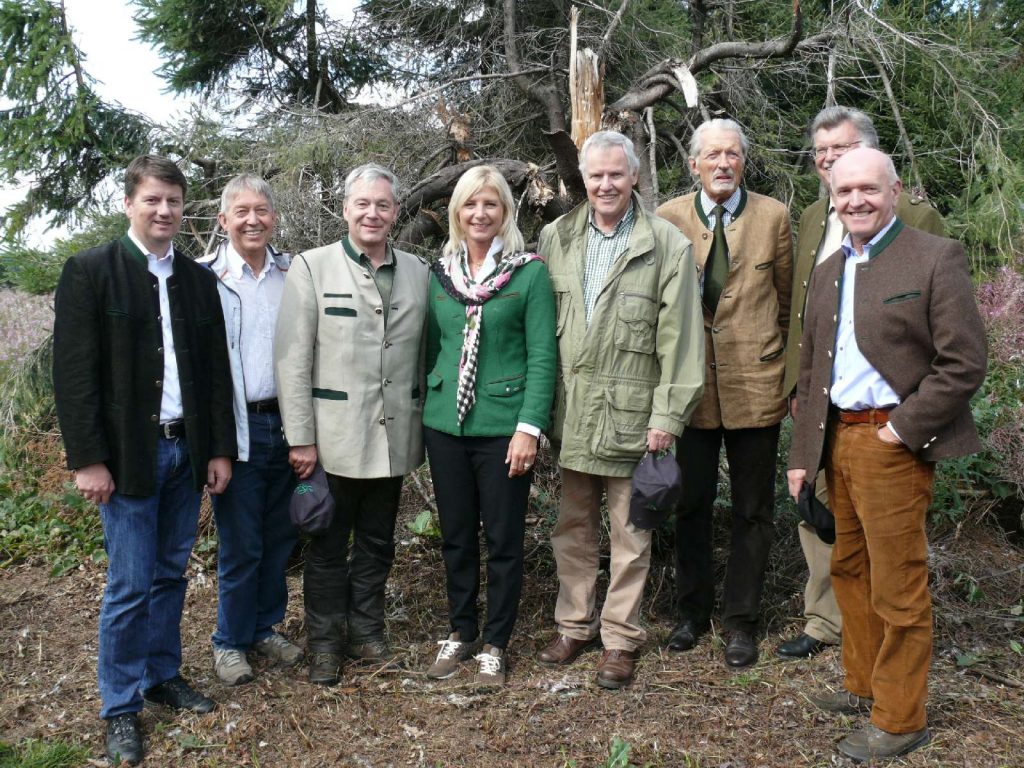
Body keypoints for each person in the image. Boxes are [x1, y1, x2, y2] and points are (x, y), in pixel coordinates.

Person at [787, 147, 985, 762]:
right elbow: (813, 369)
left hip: (892, 444)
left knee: (897, 584)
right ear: (832, 195)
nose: (855, 201)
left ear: (894, 191)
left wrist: (901, 432)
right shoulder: (829, 269)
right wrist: (802, 455)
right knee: (849, 569)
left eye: (868, 190)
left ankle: (900, 718)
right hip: (836, 440)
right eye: (844, 192)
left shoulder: (933, 257)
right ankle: (865, 685)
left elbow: (964, 363)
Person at [52, 155, 236, 765]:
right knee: (130, 584)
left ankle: (162, 675)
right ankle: (121, 706)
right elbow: (74, 378)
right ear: (129, 202)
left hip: (188, 451)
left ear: (185, 209)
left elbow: (213, 374)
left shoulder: (196, 279)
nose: (164, 211)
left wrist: (217, 449)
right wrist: (88, 461)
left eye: (174, 201)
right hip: (129, 457)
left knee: (170, 574)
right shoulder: (91, 272)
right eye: (153, 199)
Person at [536, 130, 704, 689]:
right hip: (572, 415)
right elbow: (541, 335)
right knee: (572, 529)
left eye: (616, 174)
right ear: (581, 179)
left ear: (634, 178)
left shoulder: (665, 244)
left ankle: (620, 639)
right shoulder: (555, 236)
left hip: (635, 417)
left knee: (631, 536)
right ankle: (574, 625)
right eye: (596, 175)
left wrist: (667, 417)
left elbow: (680, 342)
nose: (605, 184)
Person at [777, 106, 945, 661]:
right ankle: (829, 623)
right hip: (823, 399)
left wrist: (904, 426)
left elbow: (944, 342)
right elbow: (802, 310)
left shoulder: (918, 224)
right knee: (829, 529)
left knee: (891, 559)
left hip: (888, 419)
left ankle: (896, 701)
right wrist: (800, 393)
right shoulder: (811, 218)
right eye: (822, 152)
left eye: (841, 149)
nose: (829, 161)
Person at [274, 163, 429, 686]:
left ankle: (366, 632)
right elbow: (293, 360)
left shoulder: (418, 271)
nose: (372, 213)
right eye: (362, 204)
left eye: (382, 204)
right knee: (326, 545)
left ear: (395, 212)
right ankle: (324, 642)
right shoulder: (312, 267)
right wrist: (300, 438)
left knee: (378, 542)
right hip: (332, 440)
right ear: (345, 209)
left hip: (393, 438)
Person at [656, 118, 793, 668]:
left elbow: (786, 304)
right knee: (689, 505)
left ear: (743, 162)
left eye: (732, 154)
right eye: (711, 155)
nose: (722, 164)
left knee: (753, 509)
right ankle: (692, 613)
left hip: (755, 386)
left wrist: (780, 367)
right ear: (693, 165)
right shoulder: (667, 218)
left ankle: (742, 622)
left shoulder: (773, 217)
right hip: (690, 390)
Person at [421, 166, 556, 688]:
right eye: (470, 205)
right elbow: (430, 348)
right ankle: (462, 630)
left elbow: (543, 357)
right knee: (456, 536)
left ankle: (496, 643)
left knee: (502, 541)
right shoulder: (439, 274)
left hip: (504, 426)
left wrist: (529, 427)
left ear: (506, 213)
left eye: (491, 205)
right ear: (457, 211)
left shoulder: (528, 274)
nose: (480, 214)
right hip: (445, 426)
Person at [197, 174, 301, 686]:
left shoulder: (293, 273)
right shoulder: (204, 278)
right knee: (241, 544)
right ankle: (229, 641)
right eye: (241, 211)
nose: (253, 220)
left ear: (274, 217)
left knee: (279, 537)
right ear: (223, 220)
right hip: (236, 429)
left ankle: (264, 627)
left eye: (262, 210)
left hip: (287, 422)